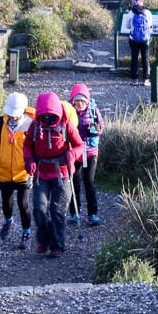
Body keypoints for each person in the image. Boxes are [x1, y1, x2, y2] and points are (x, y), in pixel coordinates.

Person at [23, 91, 84, 257]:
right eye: (44, 116)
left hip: (62, 174)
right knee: (39, 209)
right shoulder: (35, 126)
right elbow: (27, 146)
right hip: (41, 173)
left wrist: (72, 154)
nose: (47, 119)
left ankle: (57, 245)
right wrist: (29, 160)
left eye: (51, 116)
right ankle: (43, 241)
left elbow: (80, 145)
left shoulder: (66, 125)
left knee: (57, 210)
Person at [0, 93, 36, 249]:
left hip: (23, 173)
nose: (13, 116)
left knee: (23, 204)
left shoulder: (31, 125)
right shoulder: (0, 123)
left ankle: (26, 233)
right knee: (6, 204)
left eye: (16, 113)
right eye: (11, 113)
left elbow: (35, 147)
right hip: (4, 172)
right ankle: (8, 221)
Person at [67, 83, 105, 225]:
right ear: (73, 101)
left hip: (90, 152)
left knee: (89, 181)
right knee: (74, 182)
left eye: (82, 101)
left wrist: (92, 129)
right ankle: (74, 213)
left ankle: (92, 213)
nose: (80, 104)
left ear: (87, 101)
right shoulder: (69, 112)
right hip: (75, 152)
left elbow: (100, 128)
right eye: (77, 101)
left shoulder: (93, 110)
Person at [128, 0, 152, 86]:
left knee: (134, 58)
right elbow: (150, 25)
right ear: (142, 2)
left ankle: (134, 80)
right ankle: (146, 79)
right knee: (145, 59)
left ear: (133, 3)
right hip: (145, 39)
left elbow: (127, 26)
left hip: (133, 39)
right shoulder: (147, 12)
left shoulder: (131, 13)